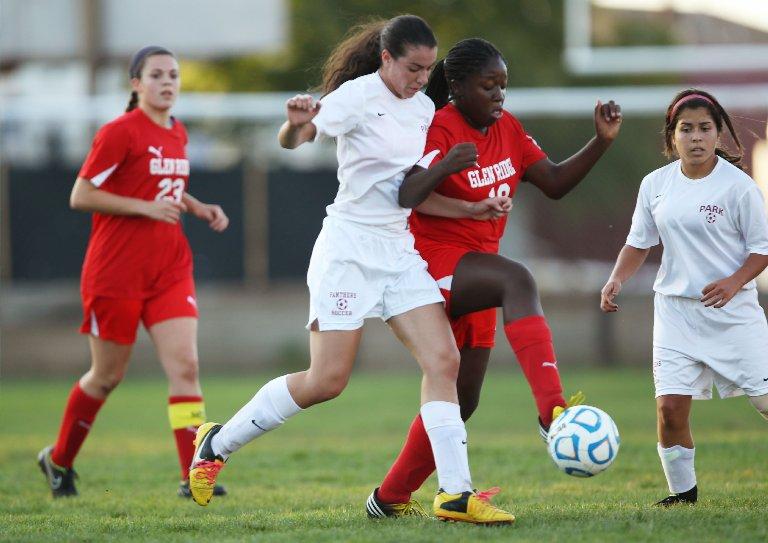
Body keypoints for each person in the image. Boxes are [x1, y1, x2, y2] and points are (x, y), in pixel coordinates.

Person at [188, 16, 514, 525]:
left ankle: (455, 494)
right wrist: (295, 122)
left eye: (429, 69)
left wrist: (469, 210)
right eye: (412, 68)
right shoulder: (356, 97)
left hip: (397, 251)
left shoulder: (425, 106)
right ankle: (217, 443)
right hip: (348, 252)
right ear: (386, 59)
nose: (420, 79)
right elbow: (294, 140)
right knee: (327, 380)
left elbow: (410, 188)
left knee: (443, 361)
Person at [365, 38, 622, 517]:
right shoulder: (439, 125)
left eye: (503, 85)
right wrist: (445, 163)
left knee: (461, 403)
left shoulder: (508, 127)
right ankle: (554, 414)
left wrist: (601, 143)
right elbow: (407, 193)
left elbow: (555, 183)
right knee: (518, 281)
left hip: (478, 267)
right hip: (432, 261)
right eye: (489, 86)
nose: (500, 96)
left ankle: (388, 498)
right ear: (458, 87)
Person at [37, 46, 230, 499]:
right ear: (136, 84)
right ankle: (59, 460)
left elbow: (167, 186)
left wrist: (197, 206)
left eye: (174, 75)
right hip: (115, 273)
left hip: (169, 268)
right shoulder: (118, 132)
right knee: (106, 376)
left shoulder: (177, 132)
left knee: (186, 365)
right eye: (157, 75)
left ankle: (192, 476)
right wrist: (144, 208)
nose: (168, 82)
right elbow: (81, 194)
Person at [600, 89, 768, 506]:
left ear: (718, 135)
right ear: (672, 136)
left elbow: (762, 248)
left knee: (765, 401)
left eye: (704, 129)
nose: (696, 137)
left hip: (733, 314)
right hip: (675, 313)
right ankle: (682, 496)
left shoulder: (739, 187)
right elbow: (639, 242)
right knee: (670, 409)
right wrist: (617, 279)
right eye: (686, 129)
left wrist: (733, 282)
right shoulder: (655, 185)